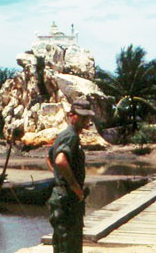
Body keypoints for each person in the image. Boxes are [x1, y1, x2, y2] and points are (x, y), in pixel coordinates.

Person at [46, 99, 95, 253]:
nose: (85, 120)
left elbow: (49, 158)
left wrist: (59, 177)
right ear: (71, 115)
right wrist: (74, 187)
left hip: (64, 199)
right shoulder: (71, 136)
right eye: (82, 117)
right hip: (67, 201)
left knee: (63, 245)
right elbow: (60, 161)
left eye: (87, 117)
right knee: (69, 246)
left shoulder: (66, 135)